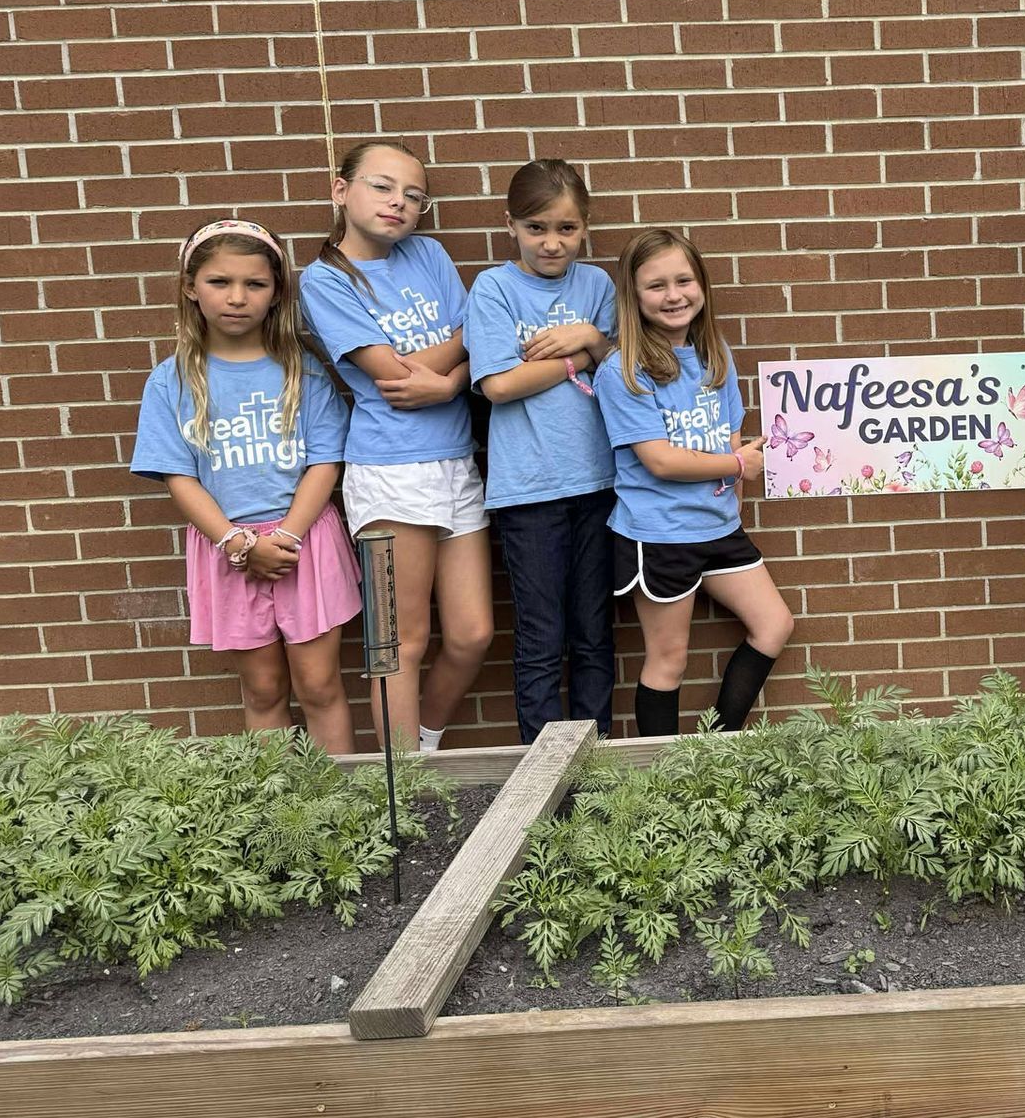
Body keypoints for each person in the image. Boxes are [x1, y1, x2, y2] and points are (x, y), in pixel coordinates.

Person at [132, 219, 358, 754]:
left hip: (305, 541)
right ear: (190, 285)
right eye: (219, 282)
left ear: (276, 291)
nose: (237, 298)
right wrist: (238, 543)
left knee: (321, 685)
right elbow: (179, 477)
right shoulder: (171, 381)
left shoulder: (302, 371)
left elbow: (325, 463)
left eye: (255, 284)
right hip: (226, 548)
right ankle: (281, 815)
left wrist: (289, 537)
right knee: (262, 688)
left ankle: (350, 812)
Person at [301, 140, 491, 751]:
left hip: (457, 461)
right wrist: (445, 371)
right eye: (382, 187)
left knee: (471, 634)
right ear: (341, 190)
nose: (398, 203)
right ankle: (405, 784)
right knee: (402, 641)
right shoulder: (325, 279)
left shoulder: (429, 253)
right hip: (389, 472)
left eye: (413, 195)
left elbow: (476, 336)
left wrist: (449, 385)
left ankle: (423, 749)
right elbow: (389, 373)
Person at [595, 227, 793, 736]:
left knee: (774, 626)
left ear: (702, 285)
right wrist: (735, 468)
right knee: (669, 661)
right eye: (656, 285)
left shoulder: (715, 353)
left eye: (684, 280)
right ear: (634, 296)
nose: (674, 295)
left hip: (719, 527)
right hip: (659, 533)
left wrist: (736, 494)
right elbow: (659, 460)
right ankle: (661, 778)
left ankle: (717, 750)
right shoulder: (624, 370)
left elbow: (733, 441)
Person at [467, 159, 618, 742]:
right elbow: (499, 385)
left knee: (593, 632)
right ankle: (538, 769)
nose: (551, 243)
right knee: (540, 635)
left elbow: (622, 373)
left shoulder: (599, 286)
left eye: (565, 229)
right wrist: (579, 352)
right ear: (510, 226)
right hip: (529, 490)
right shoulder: (496, 288)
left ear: (584, 227)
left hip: (601, 485)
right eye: (536, 228)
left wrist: (595, 341)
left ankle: (594, 761)